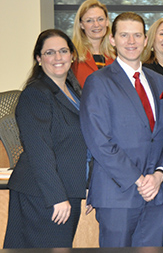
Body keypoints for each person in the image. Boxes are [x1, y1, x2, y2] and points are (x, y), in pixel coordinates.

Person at [80, 12, 163, 247]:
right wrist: (140, 180)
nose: (131, 41)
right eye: (124, 35)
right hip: (117, 194)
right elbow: (99, 141)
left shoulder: (158, 81)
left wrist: (159, 175)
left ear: (145, 38)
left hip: (156, 195)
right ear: (112, 39)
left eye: (137, 35)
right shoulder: (98, 81)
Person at [4, 29, 86, 248]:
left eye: (63, 51)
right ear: (39, 59)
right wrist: (56, 197)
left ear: (72, 55)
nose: (58, 58)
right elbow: (39, 150)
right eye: (50, 52)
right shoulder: (35, 94)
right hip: (43, 196)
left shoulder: (72, 91)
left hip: (67, 191)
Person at [72, 0, 116, 88]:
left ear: (107, 22)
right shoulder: (72, 56)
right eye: (89, 20)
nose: (96, 25)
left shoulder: (117, 56)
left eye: (100, 19)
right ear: (81, 25)